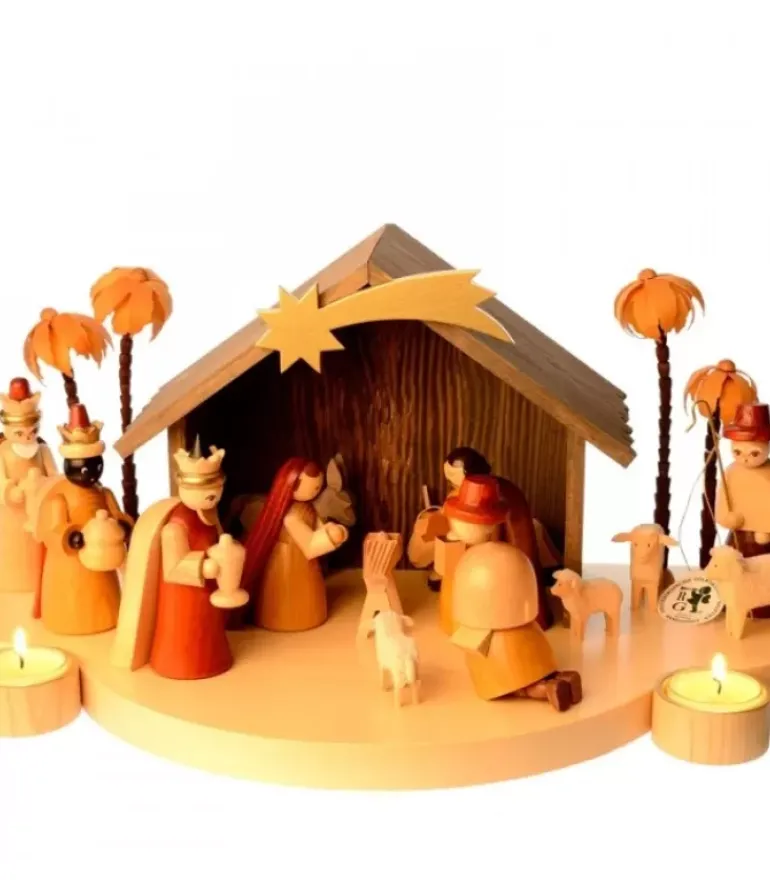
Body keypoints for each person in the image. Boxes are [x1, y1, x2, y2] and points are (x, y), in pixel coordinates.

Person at [112, 440, 246, 679]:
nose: (212, 495)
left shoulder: (208, 516)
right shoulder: (176, 526)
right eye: (204, 489)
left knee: (207, 631)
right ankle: (182, 663)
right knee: (186, 634)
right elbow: (173, 567)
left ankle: (213, 659)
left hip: (206, 594)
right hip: (183, 598)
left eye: (216, 488)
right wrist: (206, 567)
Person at [32, 404, 132, 635]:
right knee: (74, 596)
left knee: (103, 596)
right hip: (70, 569)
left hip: (103, 562)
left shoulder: (104, 493)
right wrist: (73, 537)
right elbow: (53, 531)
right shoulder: (59, 498)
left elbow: (118, 515)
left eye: (94, 466)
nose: (87, 472)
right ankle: (71, 619)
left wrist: (121, 526)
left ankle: (107, 614)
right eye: (81, 467)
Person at [242, 457, 349, 631]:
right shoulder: (291, 517)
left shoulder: (308, 508)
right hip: (290, 565)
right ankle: (286, 618)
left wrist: (331, 530)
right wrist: (332, 537)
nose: (316, 490)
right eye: (314, 487)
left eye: (318, 486)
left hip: (304, 566)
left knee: (308, 592)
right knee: (293, 595)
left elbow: (318, 527)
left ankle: (307, 615)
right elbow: (310, 546)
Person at [0, 378, 58, 594]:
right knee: (13, 552)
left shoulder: (42, 450)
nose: (28, 437)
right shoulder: (3, 452)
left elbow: (54, 476)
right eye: (20, 433)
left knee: (38, 550)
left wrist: (44, 487)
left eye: (32, 432)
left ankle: (41, 583)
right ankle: (12, 584)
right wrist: (9, 491)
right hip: (10, 517)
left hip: (38, 511)